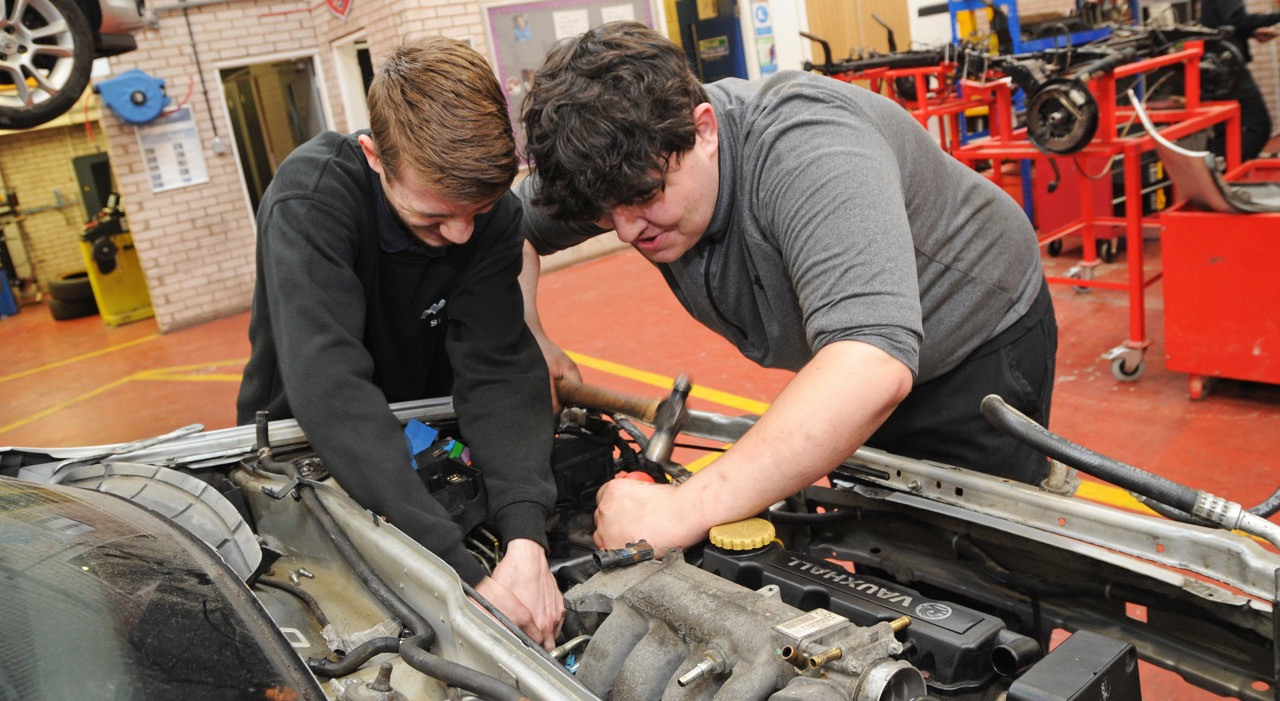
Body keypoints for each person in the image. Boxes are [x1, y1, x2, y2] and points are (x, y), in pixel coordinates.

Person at [516, 22, 1057, 553]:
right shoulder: (618, 156)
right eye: (604, 212)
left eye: (642, 197)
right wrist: (530, 339)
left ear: (703, 129)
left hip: (973, 339)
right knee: (874, 549)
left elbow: (869, 364)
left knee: (980, 574)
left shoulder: (807, 149)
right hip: (854, 358)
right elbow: (503, 228)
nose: (628, 230)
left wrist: (682, 510)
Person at [236, 37, 561, 648]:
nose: (462, 234)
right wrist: (458, 577)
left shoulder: (487, 220)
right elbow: (331, 388)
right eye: (433, 218)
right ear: (374, 156)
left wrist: (525, 541)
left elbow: (497, 366)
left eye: (479, 211)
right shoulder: (313, 197)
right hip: (304, 444)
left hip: (427, 436)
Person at [1200, 0, 1280, 161]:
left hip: (1219, 67)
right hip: (1227, 70)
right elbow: (1237, 21)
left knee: (1226, 129)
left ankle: (1213, 175)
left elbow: (1225, 23)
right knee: (1257, 126)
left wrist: (1250, 32)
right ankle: (1221, 176)